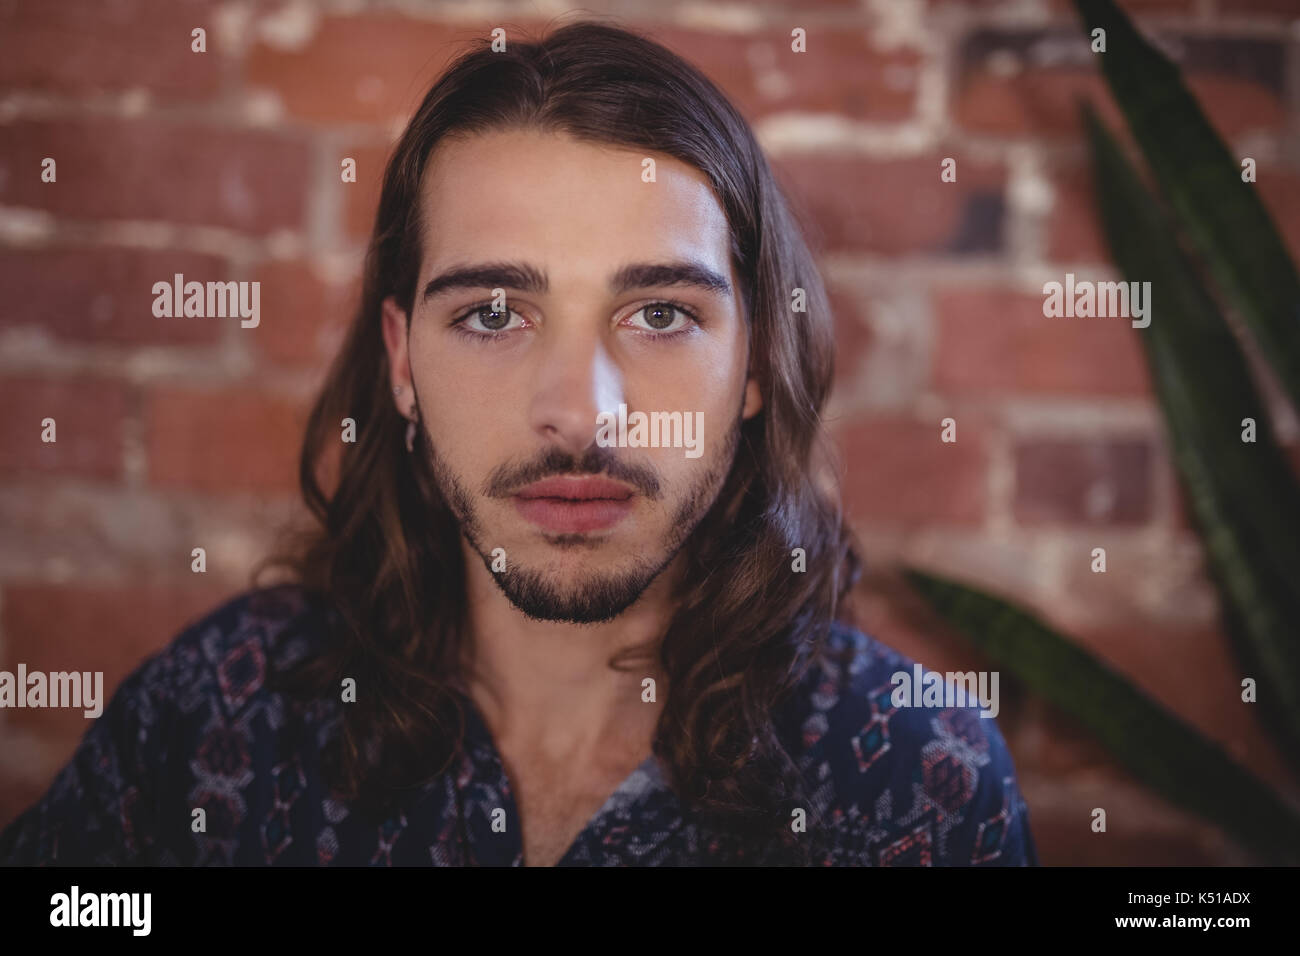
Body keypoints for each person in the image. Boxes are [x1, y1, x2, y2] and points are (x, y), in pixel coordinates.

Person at [0, 20, 1037, 866]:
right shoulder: (216, 716)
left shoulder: (910, 781)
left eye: (662, 314)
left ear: (756, 363)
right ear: (401, 363)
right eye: (492, 313)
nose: (582, 416)